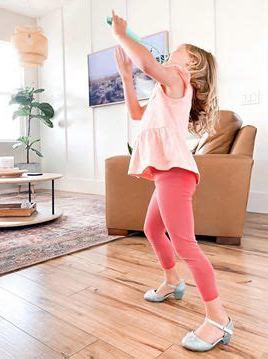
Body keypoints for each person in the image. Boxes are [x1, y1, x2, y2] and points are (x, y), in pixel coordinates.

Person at [110, 9, 234, 352]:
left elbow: (150, 65)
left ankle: (219, 319)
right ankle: (171, 281)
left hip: (176, 174)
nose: (172, 55)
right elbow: (137, 113)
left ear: (190, 63)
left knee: (185, 245)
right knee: (152, 228)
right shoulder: (165, 93)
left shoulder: (179, 80)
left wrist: (123, 36)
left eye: (178, 50)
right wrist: (125, 74)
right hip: (165, 173)